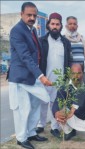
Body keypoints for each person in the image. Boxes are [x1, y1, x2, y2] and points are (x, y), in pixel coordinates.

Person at [7, 2, 52, 149]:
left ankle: (31, 132)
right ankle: (21, 138)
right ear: (21, 14)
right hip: (20, 78)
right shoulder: (17, 31)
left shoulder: (32, 30)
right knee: (22, 109)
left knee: (35, 105)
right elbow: (25, 56)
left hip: (32, 76)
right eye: (29, 15)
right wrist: (41, 76)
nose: (32, 18)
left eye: (34, 15)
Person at [36, 12, 72, 138]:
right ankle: (41, 124)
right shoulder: (42, 41)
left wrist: (68, 78)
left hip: (60, 80)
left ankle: (54, 127)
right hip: (45, 78)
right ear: (48, 25)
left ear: (61, 26)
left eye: (57, 24)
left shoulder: (66, 43)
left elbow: (69, 61)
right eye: (53, 24)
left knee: (56, 103)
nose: (55, 26)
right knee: (42, 102)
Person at [52, 63, 85, 141]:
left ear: (83, 73)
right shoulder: (64, 87)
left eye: (79, 73)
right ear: (70, 74)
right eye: (73, 73)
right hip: (72, 116)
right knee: (60, 110)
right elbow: (57, 101)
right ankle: (69, 131)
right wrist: (56, 113)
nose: (76, 76)